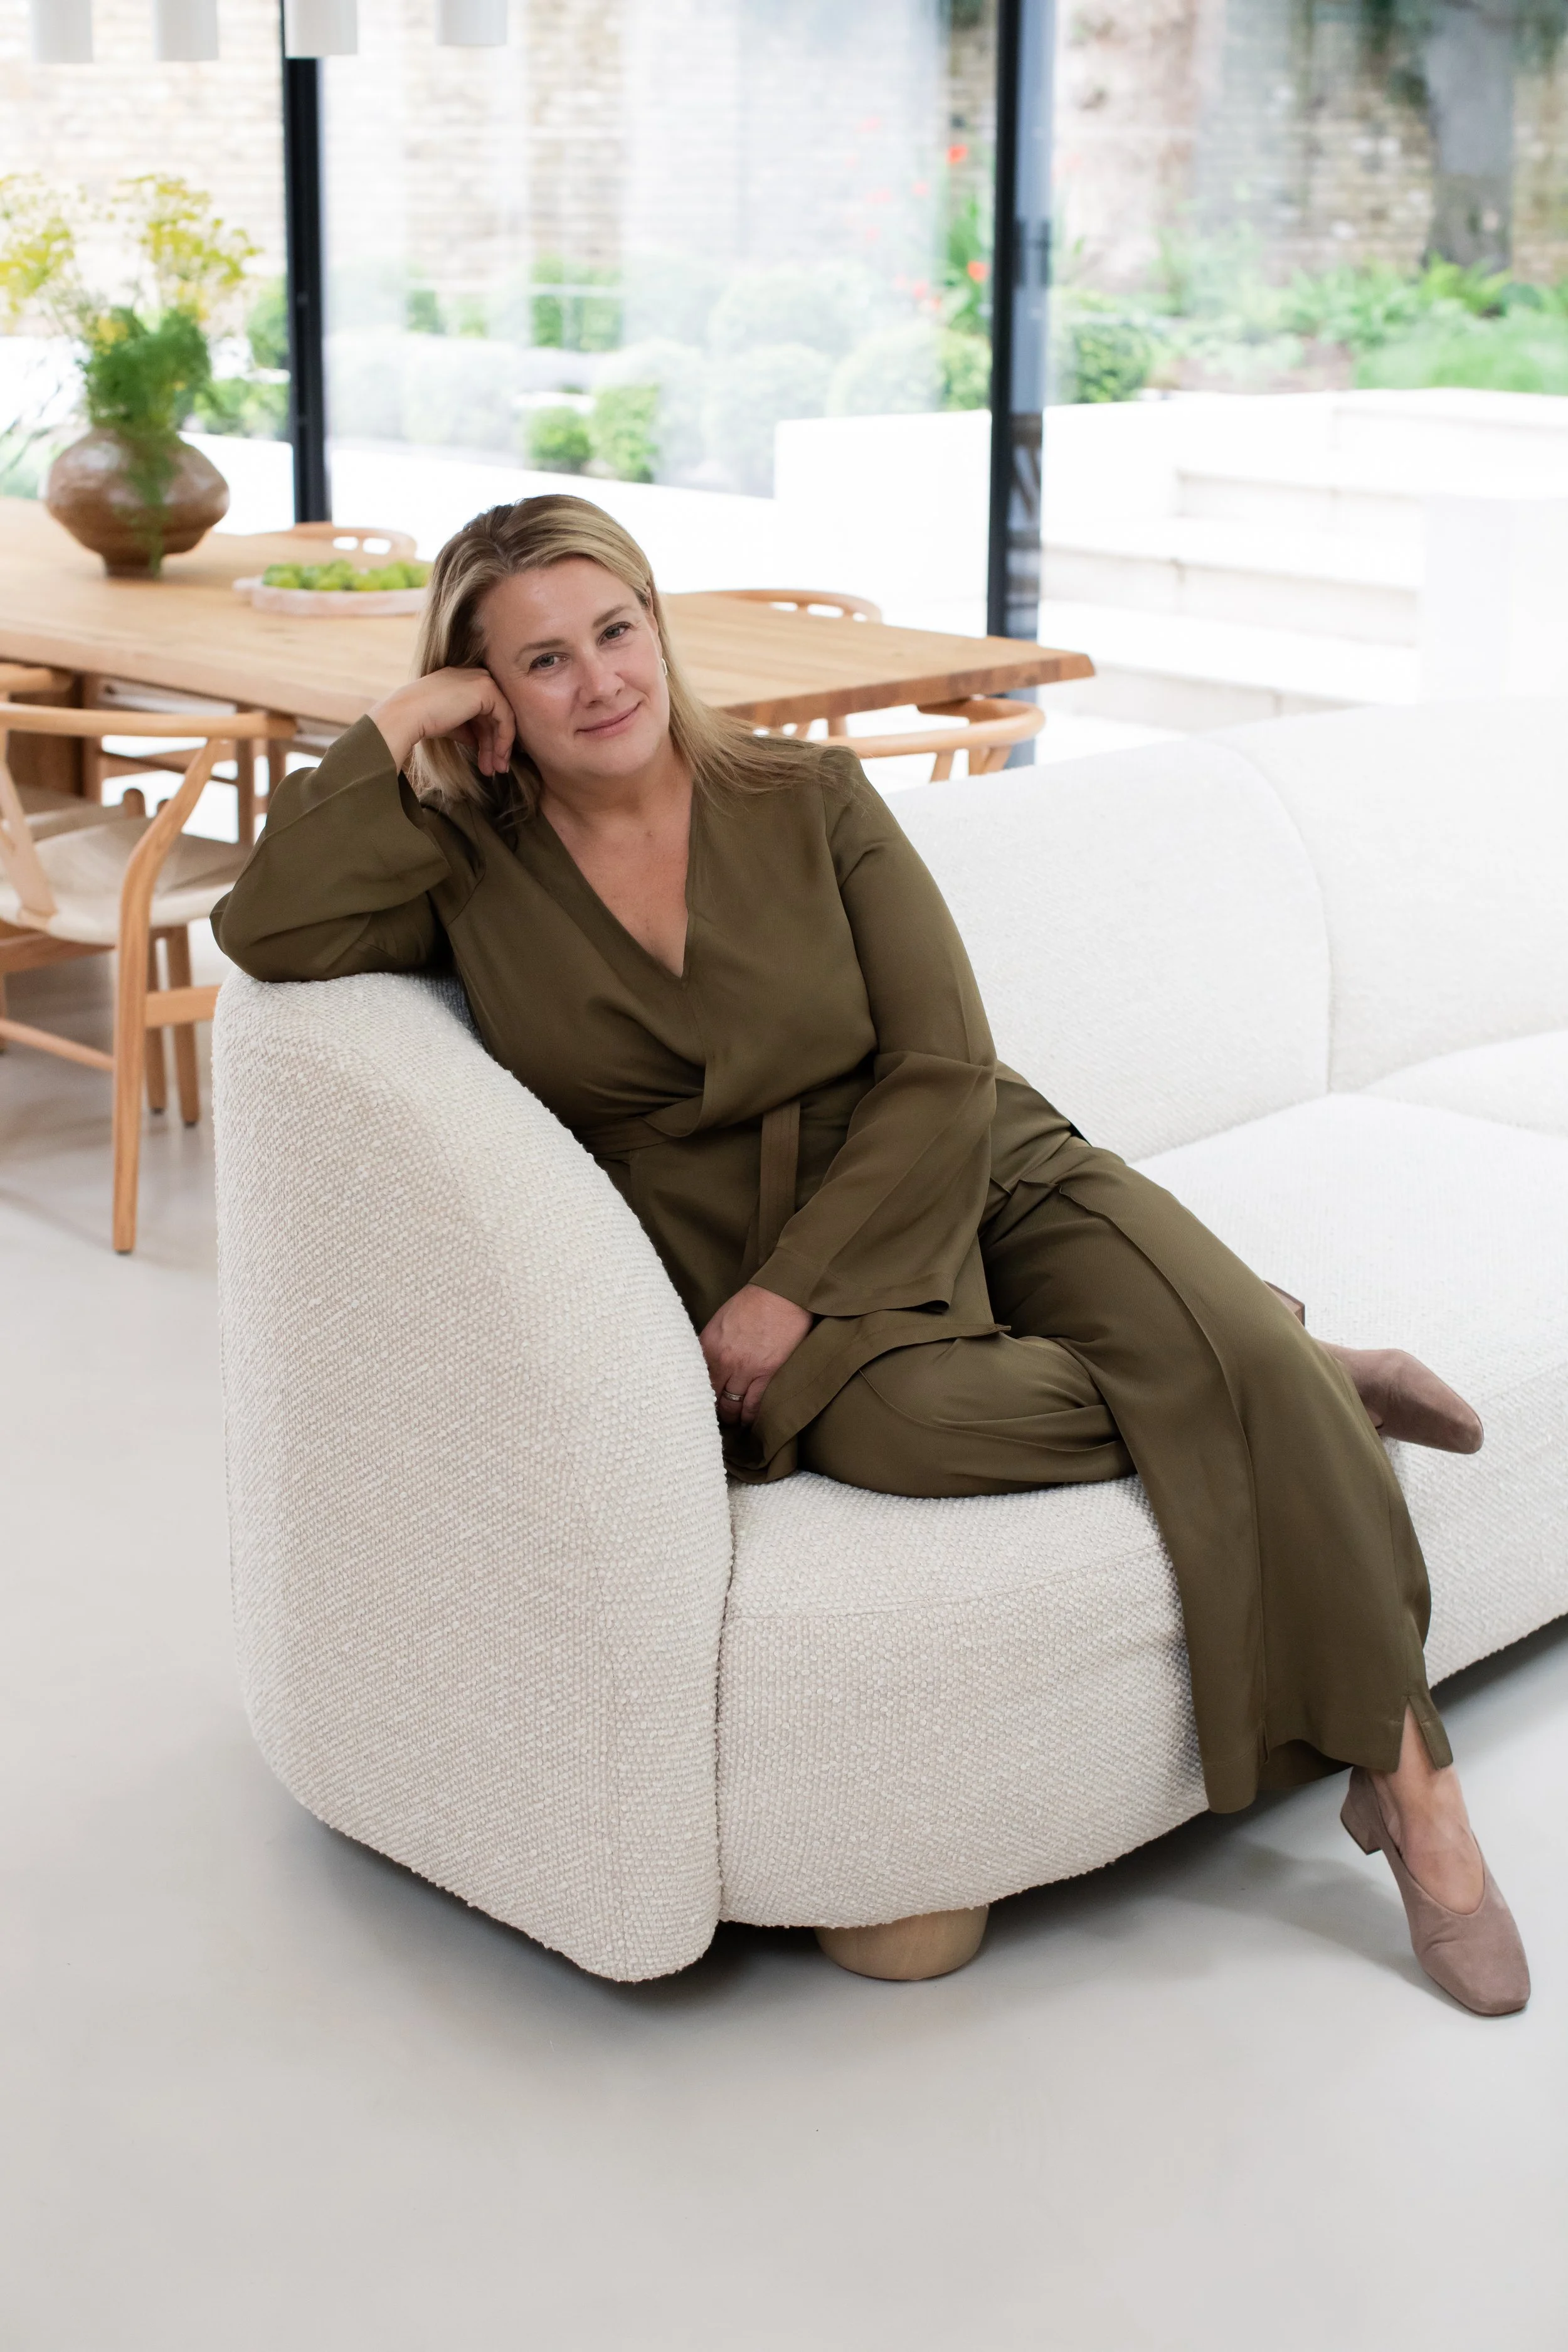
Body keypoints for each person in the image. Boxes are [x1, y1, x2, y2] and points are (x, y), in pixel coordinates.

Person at [214, 494, 1529, 2016]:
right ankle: (1291, 1366)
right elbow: (266, 930)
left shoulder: (807, 793)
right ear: (487, 693)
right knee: (929, 1427)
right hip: (748, 1243)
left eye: (616, 632)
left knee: (1214, 1345)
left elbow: (941, 1063)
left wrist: (796, 1291)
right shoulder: (464, 864)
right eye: (540, 661)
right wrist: (395, 724)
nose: (599, 682)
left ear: (658, 626)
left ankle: (1414, 1795)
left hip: (973, 1167)